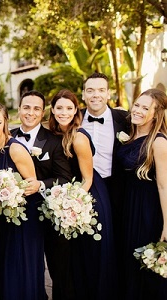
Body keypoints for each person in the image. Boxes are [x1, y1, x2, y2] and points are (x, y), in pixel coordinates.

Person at [49, 89, 117, 299]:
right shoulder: (53, 133)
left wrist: (72, 205)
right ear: (52, 110)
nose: (64, 112)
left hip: (88, 197)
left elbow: (87, 178)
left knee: (91, 256)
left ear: (75, 110)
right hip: (67, 195)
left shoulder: (78, 137)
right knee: (72, 258)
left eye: (69, 108)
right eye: (59, 108)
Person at [10, 90, 73, 300]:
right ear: (19, 109)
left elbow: (64, 178)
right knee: (23, 268)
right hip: (16, 216)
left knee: (59, 269)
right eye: (26, 107)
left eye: (36, 108)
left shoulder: (54, 141)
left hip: (48, 214)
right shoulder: (7, 137)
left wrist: (41, 185)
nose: (30, 113)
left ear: (43, 113)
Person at [0, 101, 42, 300]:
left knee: (19, 276)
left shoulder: (14, 149)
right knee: (1, 277)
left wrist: (11, 193)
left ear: (5, 122)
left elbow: (31, 186)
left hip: (20, 225)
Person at [116, 89, 167, 299]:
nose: (137, 110)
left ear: (156, 114)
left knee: (145, 268)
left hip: (147, 211)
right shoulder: (129, 132)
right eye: (136, 105)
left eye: (145, 108)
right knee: (128, 263)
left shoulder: (159, 142)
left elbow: (164, 186)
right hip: (127, 207)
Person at [81, 73, 130, 283]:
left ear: (108, 93)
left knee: (116, 243)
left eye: (101, 90)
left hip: (116, 189)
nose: (96, 95)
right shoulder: (74, 117)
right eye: (90, 90)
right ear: (83, 94)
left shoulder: (124, 119)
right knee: (87, 245)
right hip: (86, 189)